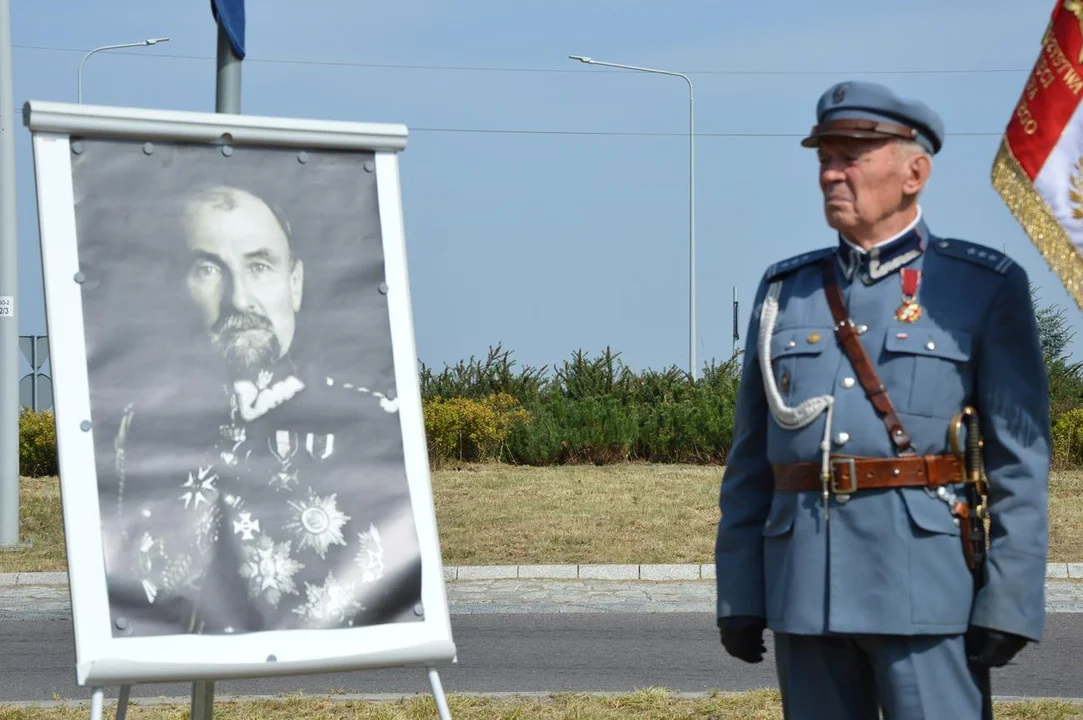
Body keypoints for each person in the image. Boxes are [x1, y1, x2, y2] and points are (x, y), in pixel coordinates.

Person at [713, 80, 1051, 719]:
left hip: (927, 587)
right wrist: (741, 592)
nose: (831, 175)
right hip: (804, 588)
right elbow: (752, 459)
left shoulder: (979, 288)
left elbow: (1020, 462)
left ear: (914, 171)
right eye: (824, 158)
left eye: (852, 157)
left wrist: (1009, 599)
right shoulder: (787, 290)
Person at [102, 185, 422, 637]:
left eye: (259, 266)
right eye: (208, 269)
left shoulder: (374, 424)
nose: (240, 299)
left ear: (295, 284)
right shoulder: (131, 434)